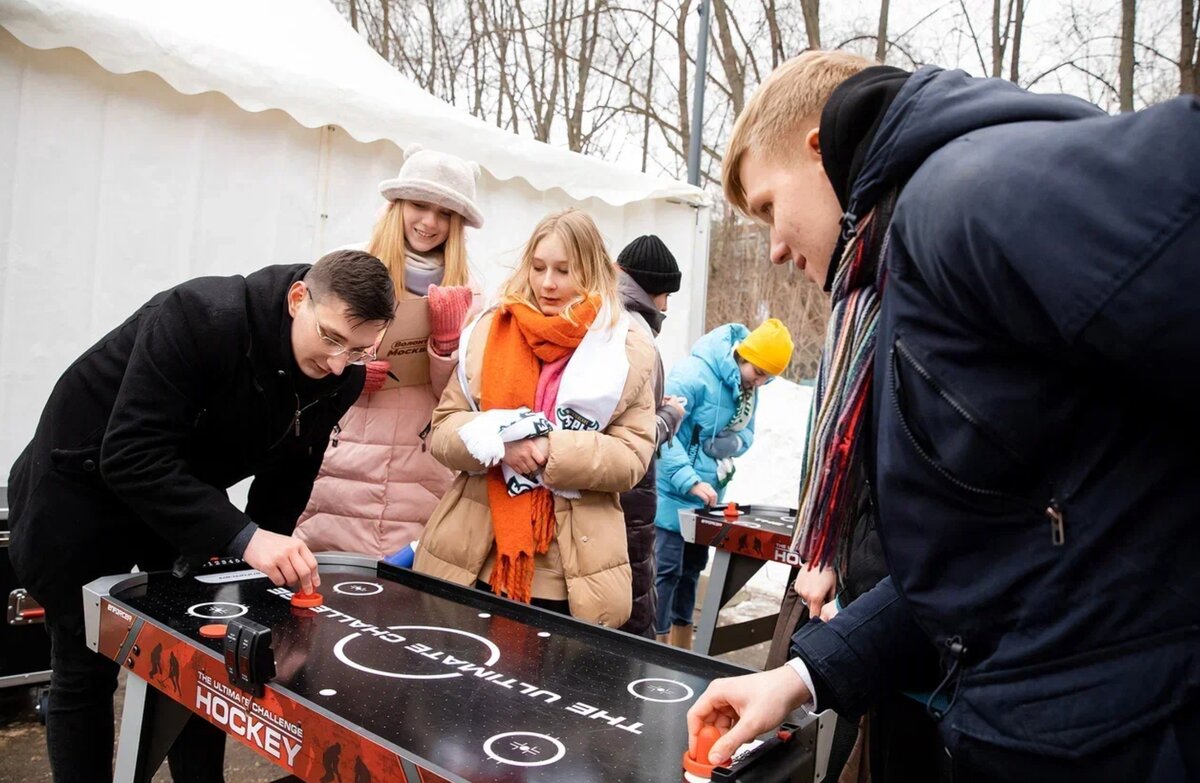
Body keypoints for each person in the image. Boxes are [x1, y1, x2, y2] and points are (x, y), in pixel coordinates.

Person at [687, 51, 1200, 781]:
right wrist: (802, 677)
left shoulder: (962, 196)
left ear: (817, 149)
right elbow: (993, 555)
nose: (771, 247)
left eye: (769, 206)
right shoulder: (899, 276)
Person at [6, 250, 394, 782]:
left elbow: (290, 473)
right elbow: (130, 453)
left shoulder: (342, 376)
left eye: (356, 350)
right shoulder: (200, 315)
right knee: (85, 665)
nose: (336, 363)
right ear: (298, 299)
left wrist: (263, 576)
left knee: (202, 657)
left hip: (181, 496)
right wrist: (245, 536)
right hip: (81, 483)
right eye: (329, 338)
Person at [413, 208, 657, 627]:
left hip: (571, 575)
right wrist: (498, 442)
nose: (547, 283)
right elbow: (443, 430)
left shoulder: (624, 349)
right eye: (539, 267)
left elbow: (632, 457)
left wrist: (551, 450)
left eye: (564, 270)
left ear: (592, 270)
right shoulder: (487, 333)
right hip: (476, 559)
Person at [295, 145, 481, 559]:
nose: (430, 222)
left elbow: (464, 400)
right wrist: (353, 372)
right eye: (419, 204)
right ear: (398, 204)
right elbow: (305, 356)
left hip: (421, 469)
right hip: (343, 461)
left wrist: (446, 345)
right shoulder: (345, 266)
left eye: (445, 213)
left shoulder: (473, 290)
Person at [654, 317, 794, 648]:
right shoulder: (692, 375)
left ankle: (681, 647)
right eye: (758, 373)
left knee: (691, 572)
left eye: (768, 378)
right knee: (665, 573)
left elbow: (746, 434)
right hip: (672, 493)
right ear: (743, 356)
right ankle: (655, 645)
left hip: (706, 499)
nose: (759, 383)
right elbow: (664, 434)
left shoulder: (747, 389)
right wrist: (688, 480)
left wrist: (728, 445)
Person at [614, 235, 687, 637]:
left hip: (619, 495)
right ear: (652, 290)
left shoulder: (605, 317)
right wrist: (670, 415)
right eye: (666, 295)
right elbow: (634, 436)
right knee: (628, 618)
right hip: (627, 498)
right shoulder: (635, 334)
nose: (667, 307)